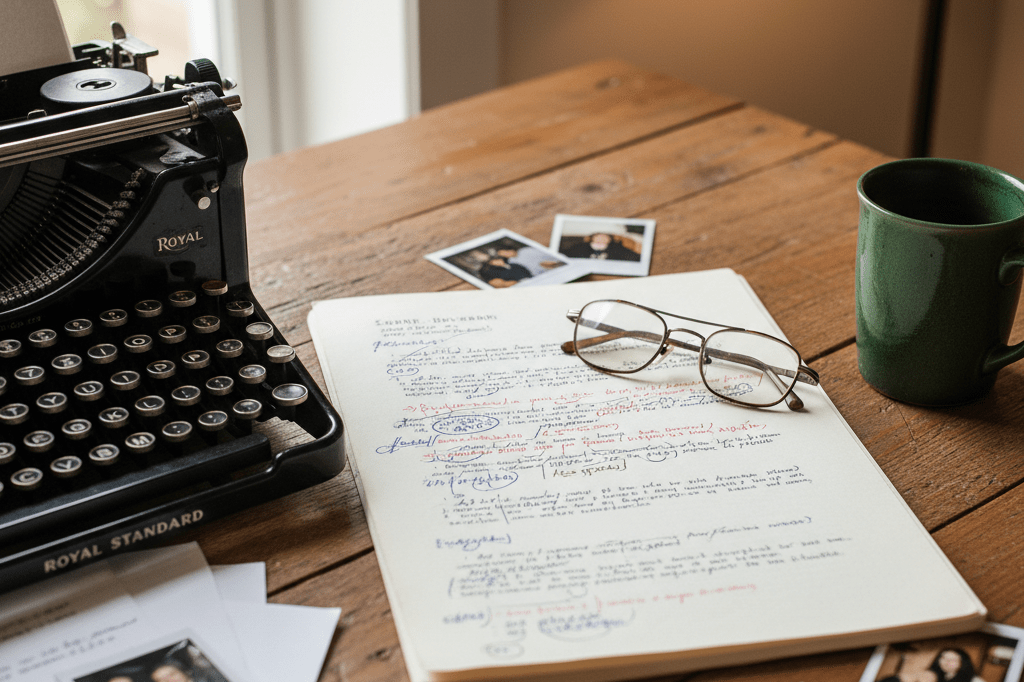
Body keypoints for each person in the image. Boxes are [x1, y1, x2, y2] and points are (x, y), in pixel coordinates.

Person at [562, 232, 640, 261]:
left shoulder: (617, 248)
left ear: (610, 239)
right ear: (592, 237)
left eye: (605, 236)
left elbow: (634, 257)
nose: (601, 238)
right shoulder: (581, 247)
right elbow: (564, 255)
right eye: (598, 236)